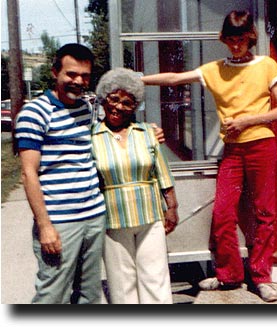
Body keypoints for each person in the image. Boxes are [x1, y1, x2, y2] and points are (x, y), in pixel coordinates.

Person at [141, 10, 277, 302]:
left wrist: (247, 121)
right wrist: (135, 80)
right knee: (223, 214)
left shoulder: (266, 65)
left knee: (265, 213)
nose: (236, 45)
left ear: (251, 37)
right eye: (231, 40)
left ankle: (262, 277)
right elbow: (173, 78)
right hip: (233, 151)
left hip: (261, 145)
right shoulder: (214, 69)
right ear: (223, 39)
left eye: (242, 39)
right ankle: (230, 276)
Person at [14, 43, 164, 304]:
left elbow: (111, 132)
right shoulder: (34, 113)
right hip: (60, 222)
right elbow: (29, 174)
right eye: (71, 74)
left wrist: (148, 129)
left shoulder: (85, 109)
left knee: (89, 294)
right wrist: (45, 226)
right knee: (52, 294)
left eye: (84, 76)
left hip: (94, 218)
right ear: (54, 72)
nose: (78, 81)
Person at [92, 67, 179, 304]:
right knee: (122, 284)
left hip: (150, 216)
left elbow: (162, 171)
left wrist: (171, 206)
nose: (119, 107)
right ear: (104, 98)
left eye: (127, 103)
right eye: (114, 99)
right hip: (112, 219)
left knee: (156, 279)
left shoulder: (146, 132)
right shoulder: (92, 137)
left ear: (135, 106)